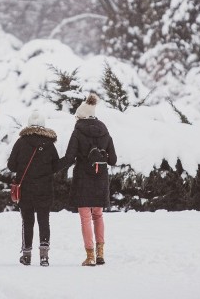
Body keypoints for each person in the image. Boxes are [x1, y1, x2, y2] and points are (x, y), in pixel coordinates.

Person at [58, 93, 117, 266]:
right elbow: (113, 160)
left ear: (80, 115)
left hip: (83, 178)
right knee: (98, 215)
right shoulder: (105, 132)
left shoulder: (77, 132)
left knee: (85, 217)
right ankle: (100, 254)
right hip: (100, 178)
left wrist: (52, 167)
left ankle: (90, 256)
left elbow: (69, 158)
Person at [7, 109, 60, 266]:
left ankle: (27, 255)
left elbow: (11, 165)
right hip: (44, 189)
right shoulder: (49, 144)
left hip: (26, 189)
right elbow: (55, 166)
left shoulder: (21, 142)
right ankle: (44, 256)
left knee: (27, 221)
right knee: (44, 220)